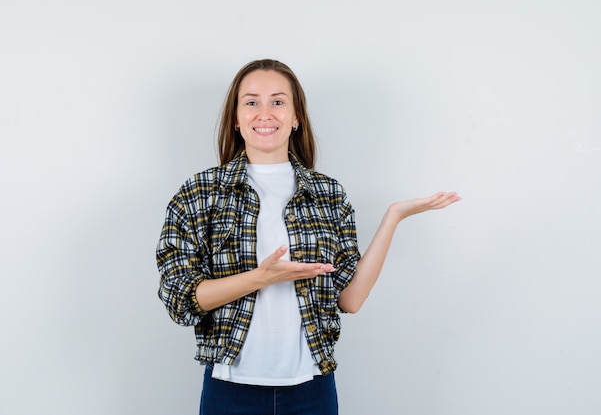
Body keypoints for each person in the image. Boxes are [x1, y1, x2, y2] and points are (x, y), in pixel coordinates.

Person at [156, 59, 460, 415]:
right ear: (236, 119)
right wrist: (261, 278)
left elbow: (350, 299)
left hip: (311, 391)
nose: (265, 113)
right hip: (231, 390)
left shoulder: (328, 193)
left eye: (278, 102)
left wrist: (393, 217)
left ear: (296, 116)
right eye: (251, 102)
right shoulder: (199, 192)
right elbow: (180, 298)